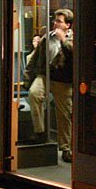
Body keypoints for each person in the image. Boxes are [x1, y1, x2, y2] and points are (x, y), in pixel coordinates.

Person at [24, 9, 74, 163]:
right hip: (45, 74)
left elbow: (74, 55)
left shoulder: (73, 39)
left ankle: (66, 148)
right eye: (55, 20)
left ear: (68, 25)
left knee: (64, 113)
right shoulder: (47, 38)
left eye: (59, 21)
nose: (55, 23)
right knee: (34, 94)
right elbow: (36, 57)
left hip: (63, 79)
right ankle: (39, 131)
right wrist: (27, 77)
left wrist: (63, 41)